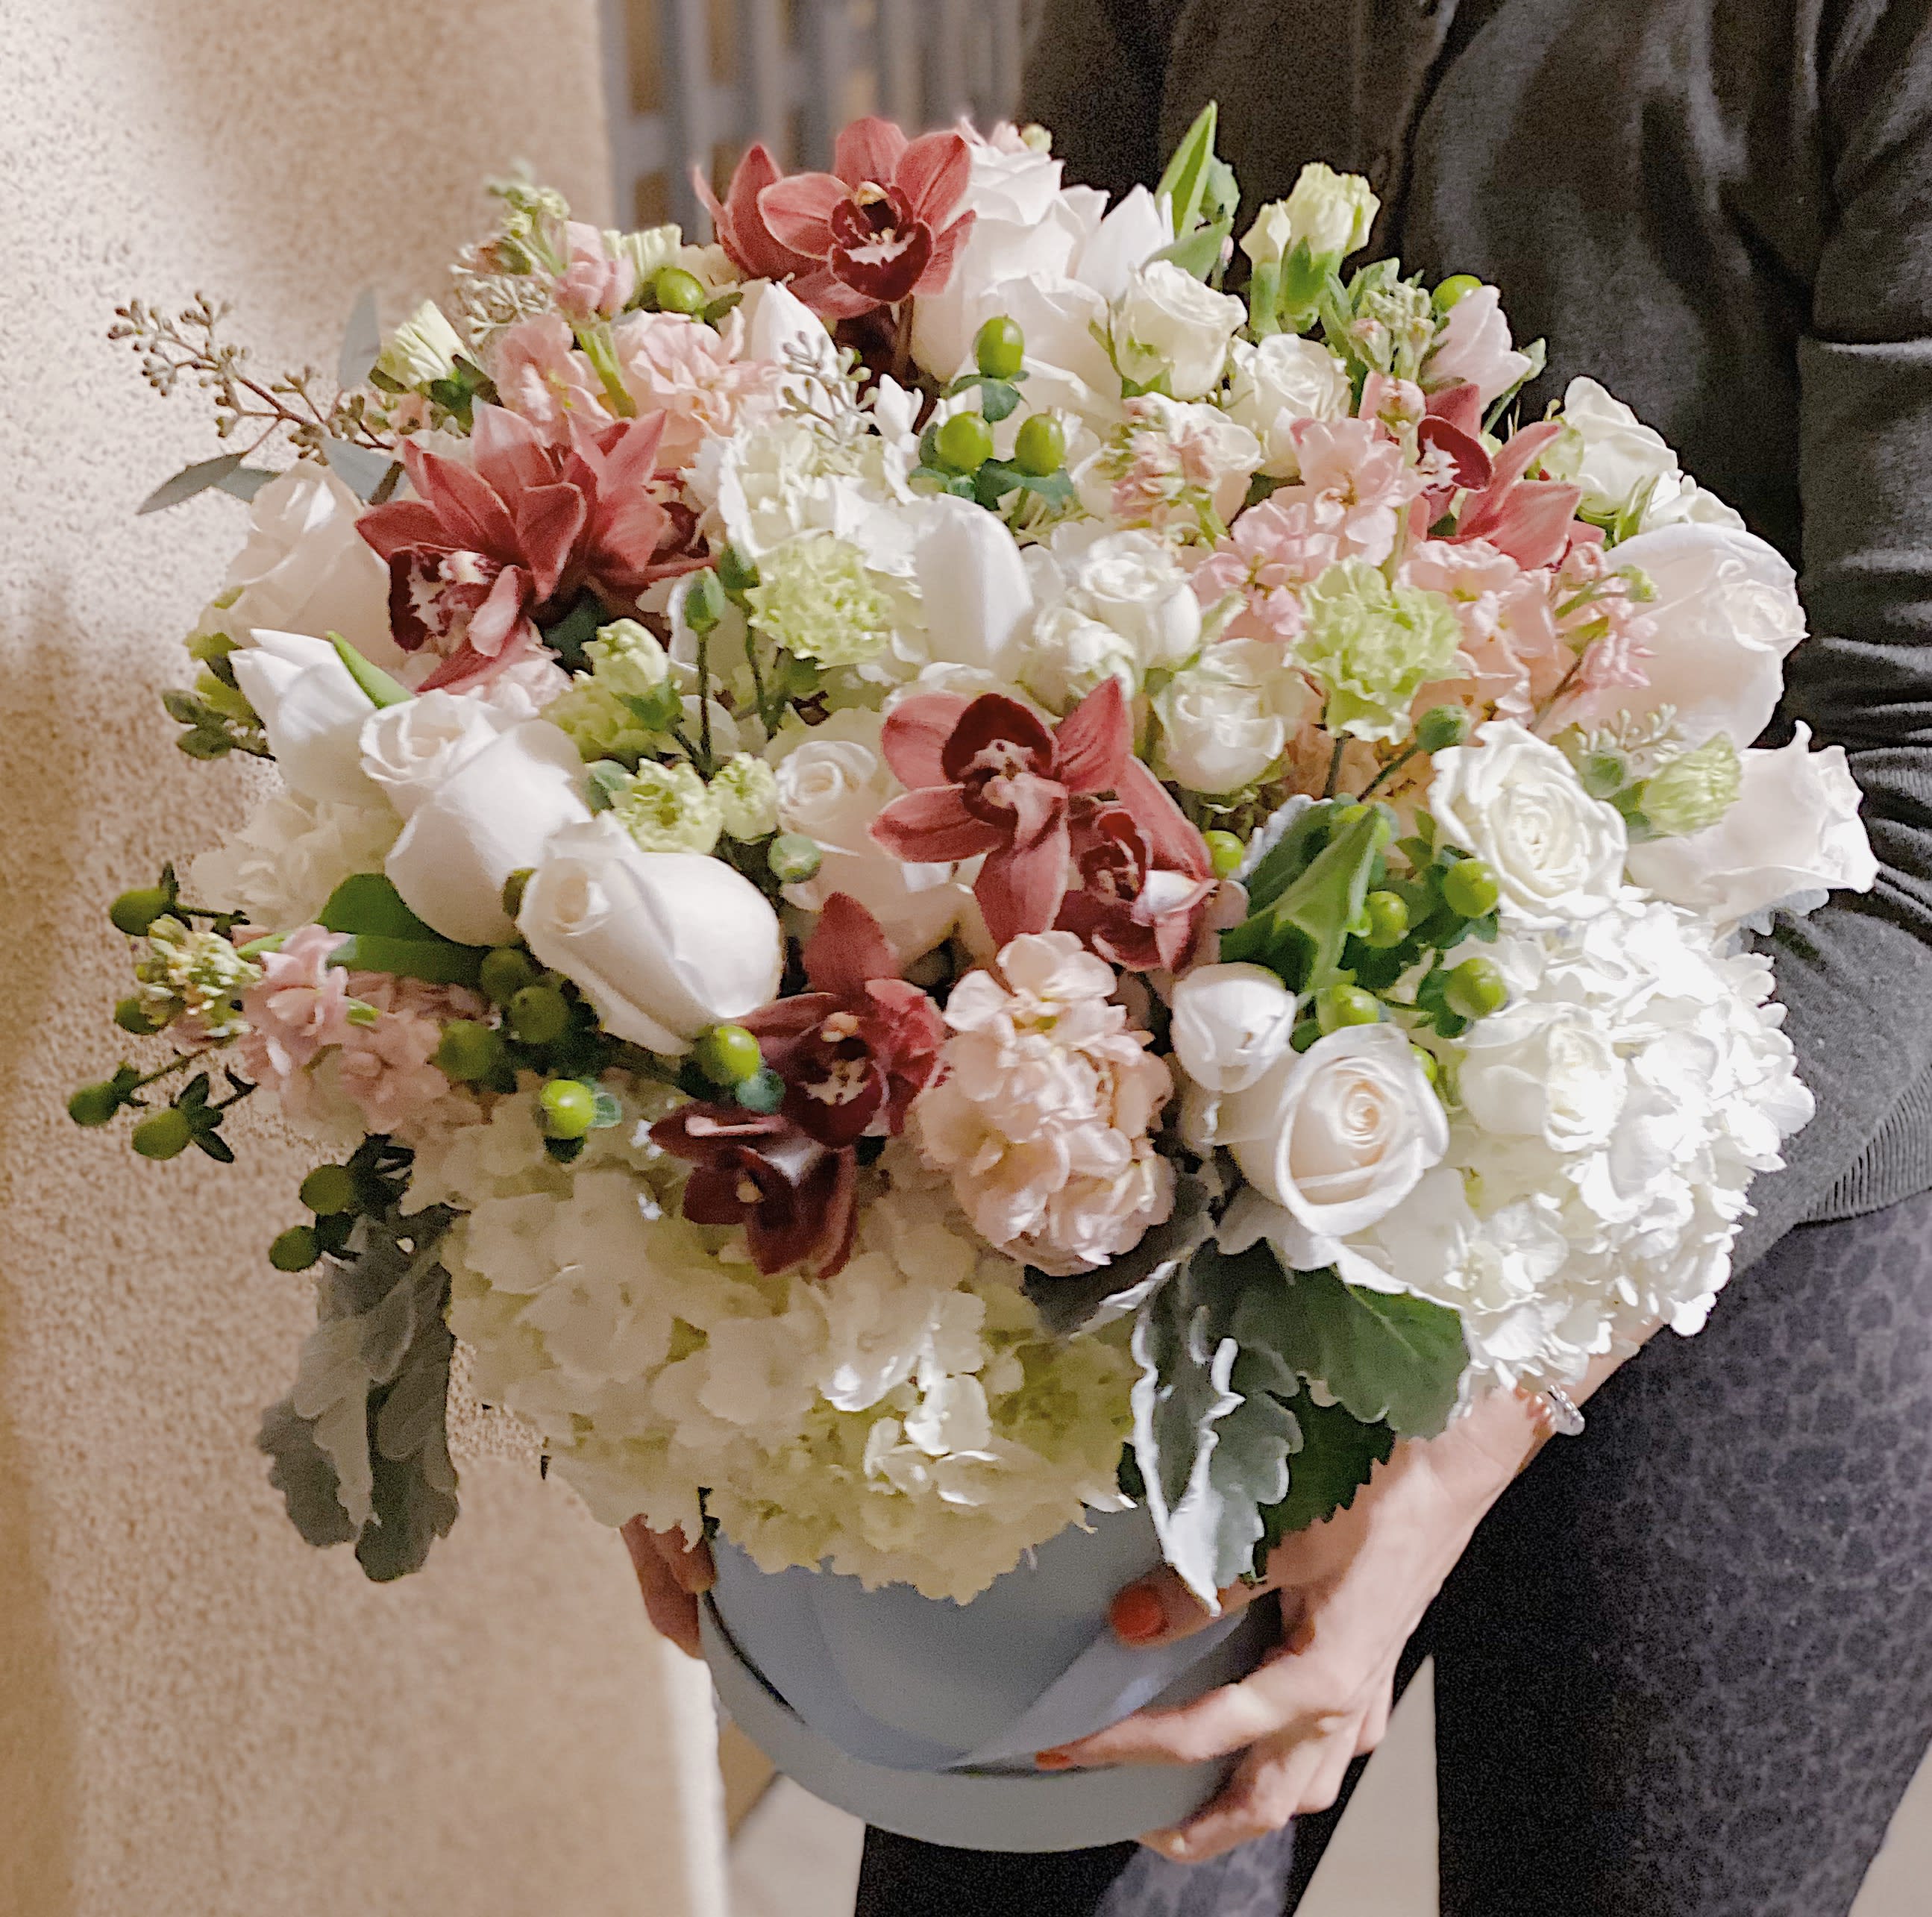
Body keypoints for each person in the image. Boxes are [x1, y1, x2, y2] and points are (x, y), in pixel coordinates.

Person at [627, 3, 1932, 1910]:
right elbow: (999, 459)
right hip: (1173, 1121)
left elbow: (1913, 804)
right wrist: (723, 1311)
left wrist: (1460, 1438)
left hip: (1773, 1165)